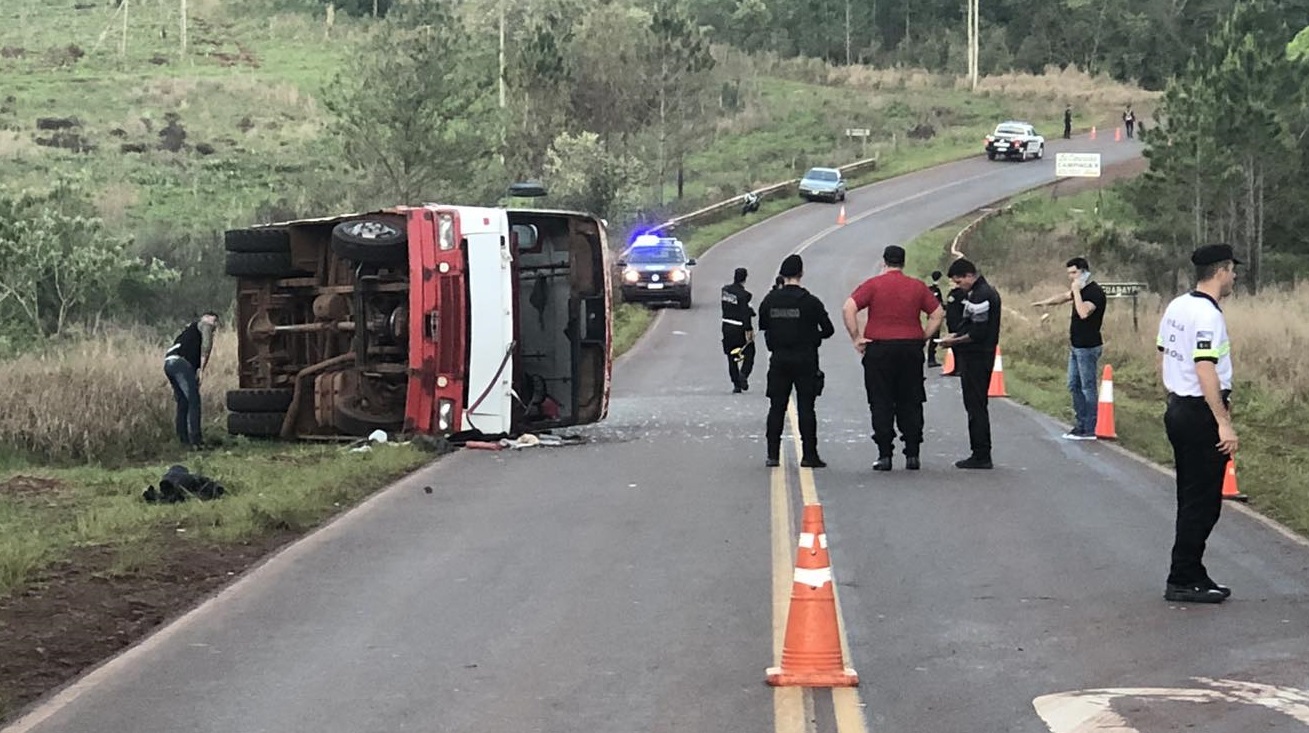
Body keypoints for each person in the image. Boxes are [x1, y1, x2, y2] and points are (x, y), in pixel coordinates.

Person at [1156, 243, 1241, 604]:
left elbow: (1163, 353)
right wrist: (1223, 421)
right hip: (1198, 413)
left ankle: (1192, 570)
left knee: (1191, 497)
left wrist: (1171, 394)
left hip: (1179, 406)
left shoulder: (1178, 305)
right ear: (1221, 271)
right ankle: (1182, 575)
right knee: (1203, 502)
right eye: (1233, 270)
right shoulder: (1208, 316)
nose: (1235, 276)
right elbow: (1205, 367)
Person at [842, 246, 945, 471]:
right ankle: (912, 453)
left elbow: (849, 307)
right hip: (910, 348)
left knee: (881, 400)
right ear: (903, 263)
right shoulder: (917, 286)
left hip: (880, 349)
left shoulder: (873, 285)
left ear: (884, 262)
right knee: (911, 400)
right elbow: (937, 313)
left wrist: (857, 337)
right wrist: (923, 337)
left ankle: (885, 454)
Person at [759, 254, 835, 468]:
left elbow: (763, 325)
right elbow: (828, 329)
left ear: (782, 275)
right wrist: (812, 338)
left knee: (776, 407)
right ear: (801, 273)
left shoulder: (770, 300)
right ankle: (809, 454)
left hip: (779, 358)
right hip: (806, 359)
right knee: (806, 408)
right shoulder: (811, 302)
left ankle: (772, 454)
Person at [1031, 257, 1108, 440]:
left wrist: (1076, 291)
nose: (1071, 278)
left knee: (1087, 387)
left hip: (1088, 347)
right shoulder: (1079, 291)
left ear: (1084, 272)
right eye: (1069, 274)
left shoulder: (1094, 292)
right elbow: (1063, 298)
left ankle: (1089, 428)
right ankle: (1080, 424)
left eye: (1074, 273)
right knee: (1073, 385)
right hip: (1075, 345)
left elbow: (1083, 313)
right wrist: (1044, 302)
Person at [937, 259, 1001, 469]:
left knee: (976, 405)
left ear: (969, 275)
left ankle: (981, 453)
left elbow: (977, 332)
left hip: (977, 356)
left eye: (959, 281)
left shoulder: (981, 295)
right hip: (976, 355)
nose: (958, 286)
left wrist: (953, 341)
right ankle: (980, 451)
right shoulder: (979, 292)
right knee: (974, 404)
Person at [165, 311, 219, 448]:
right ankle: (196, 441)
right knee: (193, 401)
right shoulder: (205, 326)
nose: (213, 325)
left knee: (183, 401)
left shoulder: (189, 331)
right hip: (181, 364)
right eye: (212, 321)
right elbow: (206, 345)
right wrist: (202, 369)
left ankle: (183, 439)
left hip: (169, 362)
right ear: (204, 319)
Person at [721, 267, 756, 393]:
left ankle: (736, 384)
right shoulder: (744, 295)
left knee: (731, 357)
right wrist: (749, 330)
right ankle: (743, 375)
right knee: (750, 352)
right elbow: (745, 313)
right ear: (745, 278)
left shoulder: (725, 291)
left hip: (726, 326)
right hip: (739, 327)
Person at [926, 270, 945, 367]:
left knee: (934, 337)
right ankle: (931, 359)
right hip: (934, 316)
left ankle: (931, 358)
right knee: (934, 337)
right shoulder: (935, 290)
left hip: (931, 315)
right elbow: (937, 303)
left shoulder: (931, 289)